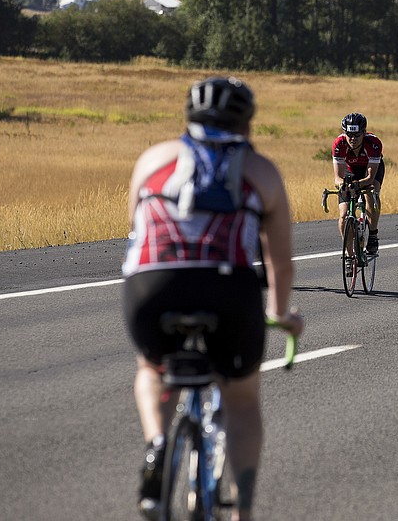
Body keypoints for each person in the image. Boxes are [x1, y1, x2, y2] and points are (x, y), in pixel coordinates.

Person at [123, 76, 304, 521]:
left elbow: (137, 230)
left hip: (151, 286)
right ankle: (242, 509)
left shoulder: (153, 159)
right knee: (241, 401)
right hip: (228, 288)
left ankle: (157, 444)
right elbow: (279, 264)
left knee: (151, 367)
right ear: (247, 124)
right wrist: (280, 316)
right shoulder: (261, 171)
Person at [332, 112, 383, 257]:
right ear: (344, 132)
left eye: (357, 135)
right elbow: (337, 178)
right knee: (343, 215)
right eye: (349, 135)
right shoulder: (339, 144)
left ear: (364, 133)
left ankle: (373, 235)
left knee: (371, 195)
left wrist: (357, 185)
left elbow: (369, 178)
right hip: (350, 171)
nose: (353, 139)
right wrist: (345, 185)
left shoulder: (373, 144)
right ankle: (349, 255)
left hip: (369, 170)